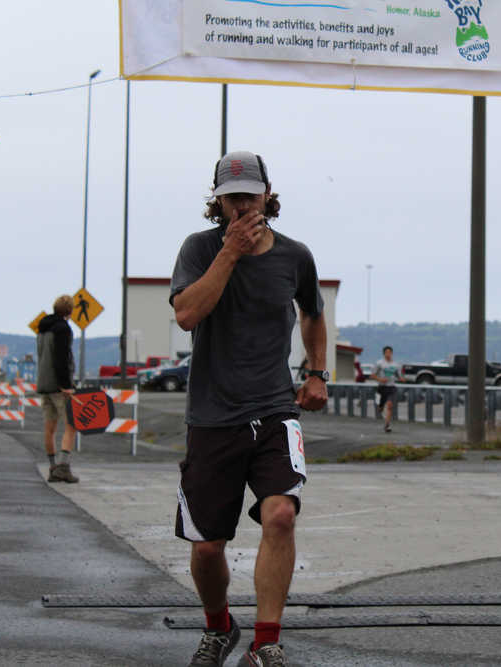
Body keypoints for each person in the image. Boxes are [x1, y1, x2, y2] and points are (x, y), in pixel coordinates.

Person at [170, 151, 328, 667]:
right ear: (217, 202)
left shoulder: (295, 256)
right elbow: (187, 314)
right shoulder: (199, 249)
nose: (241, 206)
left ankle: (265, 643)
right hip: (212, 416)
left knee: (280, 515)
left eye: (249, 195)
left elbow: (313, 312)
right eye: (231, 197)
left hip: (274, 410)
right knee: (207, 547)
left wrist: (317, 373)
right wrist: (230, 253)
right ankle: (220, 627)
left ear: (267, 195)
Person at [35, 295, 79, 483]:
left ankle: (53, 467)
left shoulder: (42, 329)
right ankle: (63, 467)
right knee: (72, 424)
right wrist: (66, 385)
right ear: (70, 311)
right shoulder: (63, 329)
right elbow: (61, 358)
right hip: (58, 387)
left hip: (43, 384)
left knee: (50, 428)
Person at [371, 346, 402, 433]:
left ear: (392, 353)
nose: (388, 354)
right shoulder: (379, 363)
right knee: (380, 408)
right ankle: (381, 408)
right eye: (386, 352)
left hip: (391, 387)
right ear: (384, 353)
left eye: (389, 352)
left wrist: (401, 378)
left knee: (389, 405)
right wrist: (380, 379)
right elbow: (372, 375)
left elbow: (398, 375)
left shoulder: (395, 364)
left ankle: (387, 425)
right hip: (382, 387)